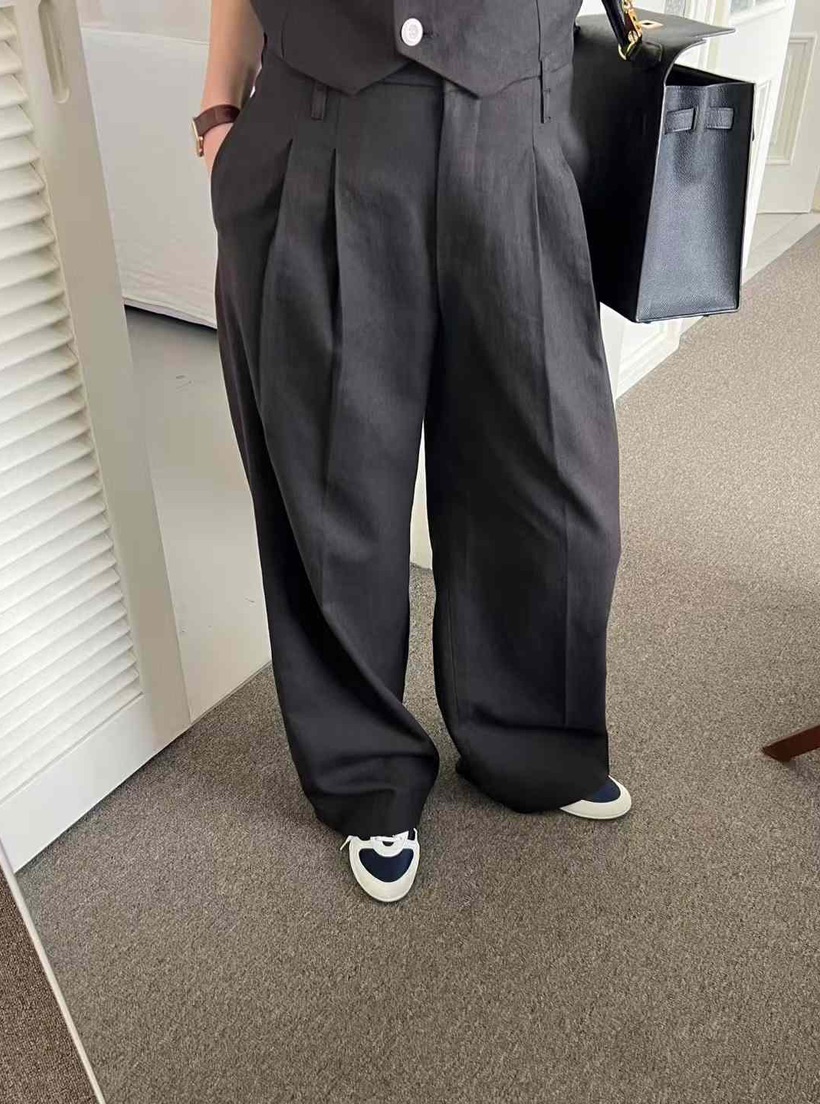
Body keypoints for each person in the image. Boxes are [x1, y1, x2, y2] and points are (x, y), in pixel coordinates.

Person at [194, 0, 632, 905]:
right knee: (334, 492)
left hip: (517, 125)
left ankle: (533, 737)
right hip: (320, 124)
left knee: (550, 484)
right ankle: (368, 771)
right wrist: (218, 111)